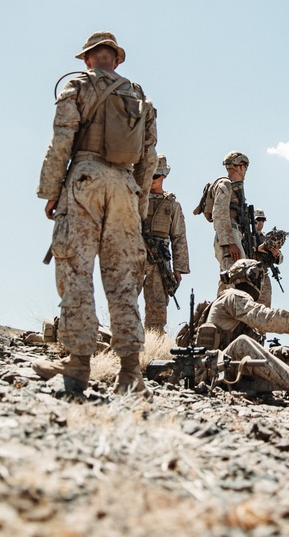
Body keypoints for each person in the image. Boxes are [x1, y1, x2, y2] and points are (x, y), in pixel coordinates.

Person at [33, 30, 157, 395]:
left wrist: (51, 190)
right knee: (123, 279)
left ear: (88, 58)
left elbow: (61, 141)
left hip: (85, 178)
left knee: (76, 268)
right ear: (116, 59)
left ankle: (77, 364)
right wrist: (139, 205)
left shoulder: (77, 86)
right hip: (125, 187)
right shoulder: (140, 97)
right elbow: (148, 158)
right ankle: (131, 372)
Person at [200, 259, 289, 405]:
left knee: (286, 356)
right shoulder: (233, 296)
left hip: (235, 373)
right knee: (242, 343)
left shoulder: (239, 303)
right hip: (215, 372)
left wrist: (277, 352)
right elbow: (267, 319)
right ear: (252, 276)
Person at [141, 154, 189, 334]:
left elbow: (179, 237)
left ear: (164, 176)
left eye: (156, 176)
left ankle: (154, 342)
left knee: (157, 304)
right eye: (149, 175)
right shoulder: (136, 199)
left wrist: (178, 268)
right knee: (124, 298)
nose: (152, 180)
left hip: (159, 257)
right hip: (136, 252)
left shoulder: (172, 204)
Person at [211, 151, 252, 275]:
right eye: (245, 167)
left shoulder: (234, 187)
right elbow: (219, 214)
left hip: (233, 235)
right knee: (237, 277)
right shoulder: (225, 184)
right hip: (230, 236)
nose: (245, 171)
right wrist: (230, 242)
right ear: (240, 166)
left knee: (228, 280)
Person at [251, 208, 286, 307]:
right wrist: (256, 249)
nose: (260, 223)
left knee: (265, 308)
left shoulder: (268, 238)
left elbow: (280, 259)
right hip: (250, 275)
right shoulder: (247, 236)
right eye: (258, 220)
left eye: (262, 220)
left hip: (264, 275)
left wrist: (276, 254)